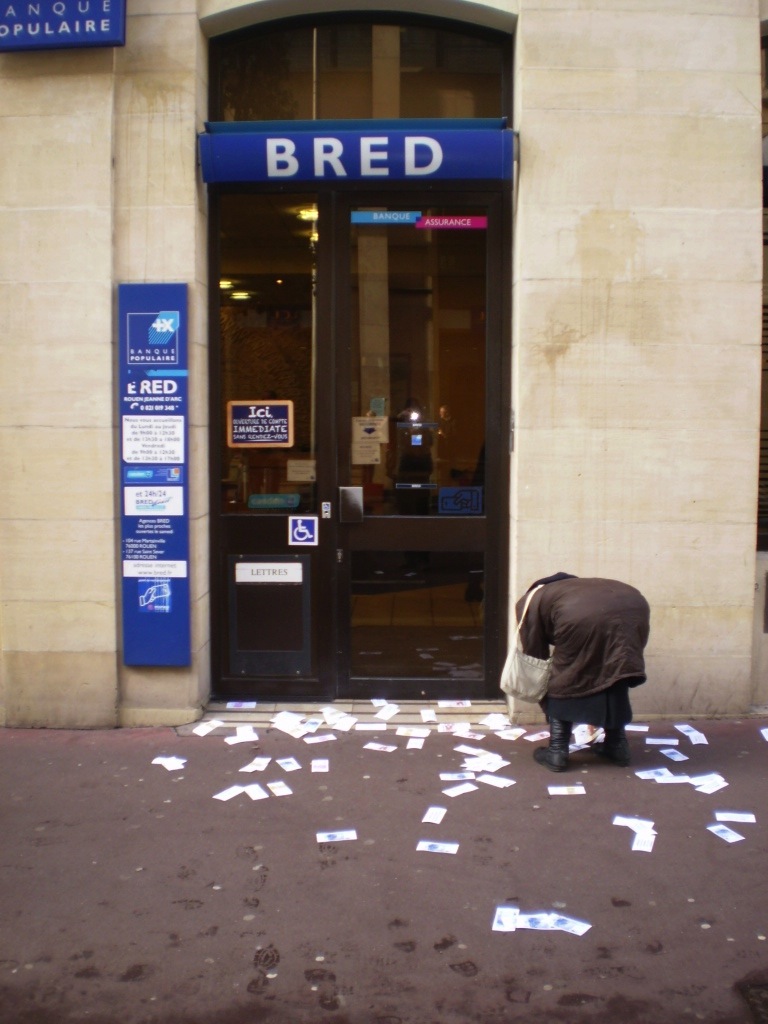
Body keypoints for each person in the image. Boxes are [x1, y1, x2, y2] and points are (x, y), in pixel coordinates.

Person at [515, 572, 650, 772]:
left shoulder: (530, 600)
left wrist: (540, 684)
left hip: (579, 616)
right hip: (634, 607)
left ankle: (557, 751)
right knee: (616, 672)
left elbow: (535, 651)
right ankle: (617, 746)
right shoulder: (578, 588)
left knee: (565, 677)